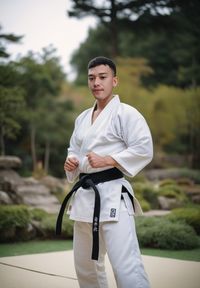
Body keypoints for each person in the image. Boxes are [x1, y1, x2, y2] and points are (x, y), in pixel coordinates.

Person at [58, 56, 153, 288]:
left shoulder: (127, 114)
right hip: (85, 198)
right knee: (86, 267)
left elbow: (144, 148)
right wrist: (71, 164)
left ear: (115, 81)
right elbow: (74, 150)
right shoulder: (82, 118)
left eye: (102, 77)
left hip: (113, 196)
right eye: (91, 78)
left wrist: (107, 160)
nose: (96, 82)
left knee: (126, 265)